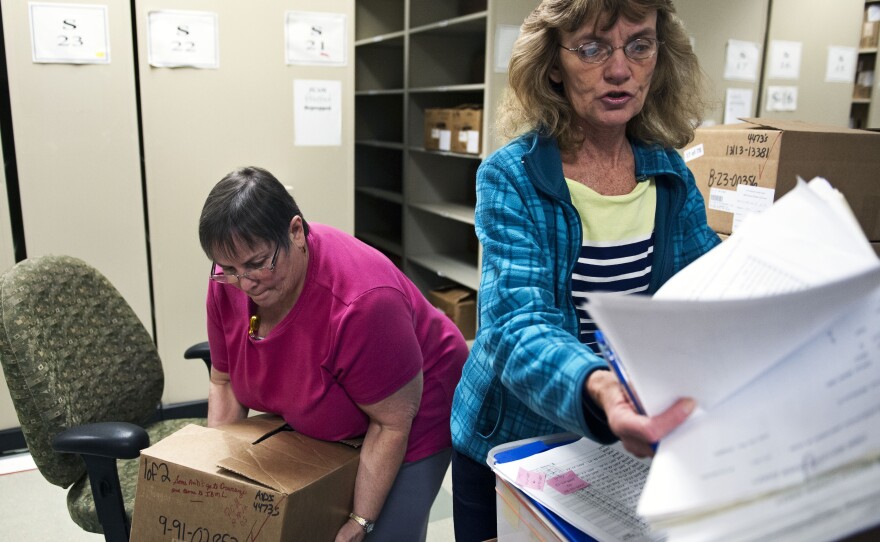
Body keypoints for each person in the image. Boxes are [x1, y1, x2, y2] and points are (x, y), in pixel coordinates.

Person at [449, 1, 721, 539]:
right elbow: (515, 325)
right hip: (513, 445)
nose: (619, 70)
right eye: (592, 48)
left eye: (639, 44)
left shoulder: (669, 174)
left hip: (621, 447)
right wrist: (600, 388)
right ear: (554, 64)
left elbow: (704, 293)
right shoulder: (512, 177)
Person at [198, 166, 468, 542]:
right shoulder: (230, 281)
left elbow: (390, 424)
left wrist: (361, 521)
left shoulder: (361, 302)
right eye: (230, 269)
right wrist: (216, 481)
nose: (244, 283)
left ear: (295, 232)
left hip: (413, 405)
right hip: (338, 407)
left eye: (257, 264)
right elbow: (223, 382)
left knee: (381, 534)